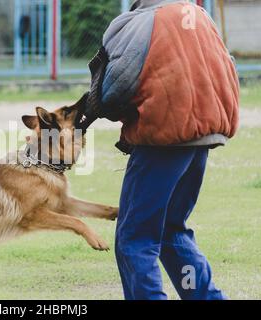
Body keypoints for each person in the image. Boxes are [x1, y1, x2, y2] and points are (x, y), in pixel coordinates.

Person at [84, 0, 239, 300]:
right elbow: (227, 67)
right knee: (172, 231)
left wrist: (100, 112)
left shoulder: (138, 22)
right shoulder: (201, 16)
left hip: (162, 141)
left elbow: (114, 87)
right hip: (204, 137)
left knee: (135, 238)